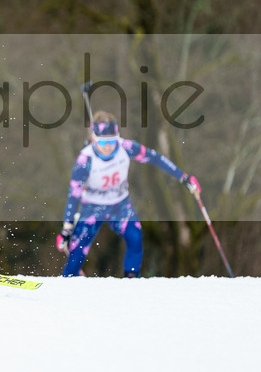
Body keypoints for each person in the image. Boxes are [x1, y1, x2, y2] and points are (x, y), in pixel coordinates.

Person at [56, 111, 201, 277]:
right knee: (78, 249)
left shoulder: (125, 147)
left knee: (135, 238)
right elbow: (74, 196)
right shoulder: (85, 160)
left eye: (112, 140)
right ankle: (69, 279)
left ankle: (131, 279)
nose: (108, 146)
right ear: (93, 138)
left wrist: (184, 178)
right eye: (103, 141)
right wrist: (66, 230)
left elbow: (156, 158)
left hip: (120, 206)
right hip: (92, 208)